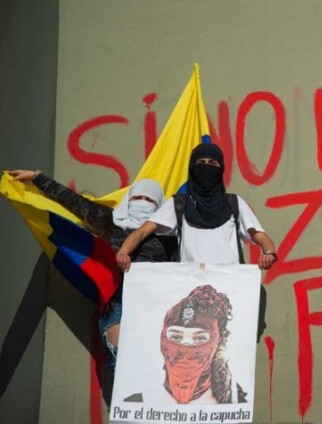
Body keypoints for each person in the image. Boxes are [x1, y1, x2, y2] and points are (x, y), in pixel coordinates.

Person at [7, 169, 175, 370]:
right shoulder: (108, 221)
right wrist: (37, 178)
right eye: (137, 197)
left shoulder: (169, 235)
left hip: (154, 307)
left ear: (159, 206)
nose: (141, 202)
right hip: (116, 305)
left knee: (156, 369)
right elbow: (75, 202)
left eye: (149, 200)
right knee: (123, 365)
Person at [116, 142, 277, 270]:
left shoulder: (233, 203)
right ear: (193, 169)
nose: (206, 166)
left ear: (221, 169)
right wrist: (124, 253)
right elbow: (143, 230)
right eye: (201, 162)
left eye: (212, 163)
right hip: (190, 287)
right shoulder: (180, 204)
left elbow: (261, 237)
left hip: (229, 286)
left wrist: (269, 253)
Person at [124, 284, 246, 404]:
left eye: (199, 338)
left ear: (217, 343)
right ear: (163, 340)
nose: (186, 347)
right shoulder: (135, 405)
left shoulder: (234, 403)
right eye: (176, 337)